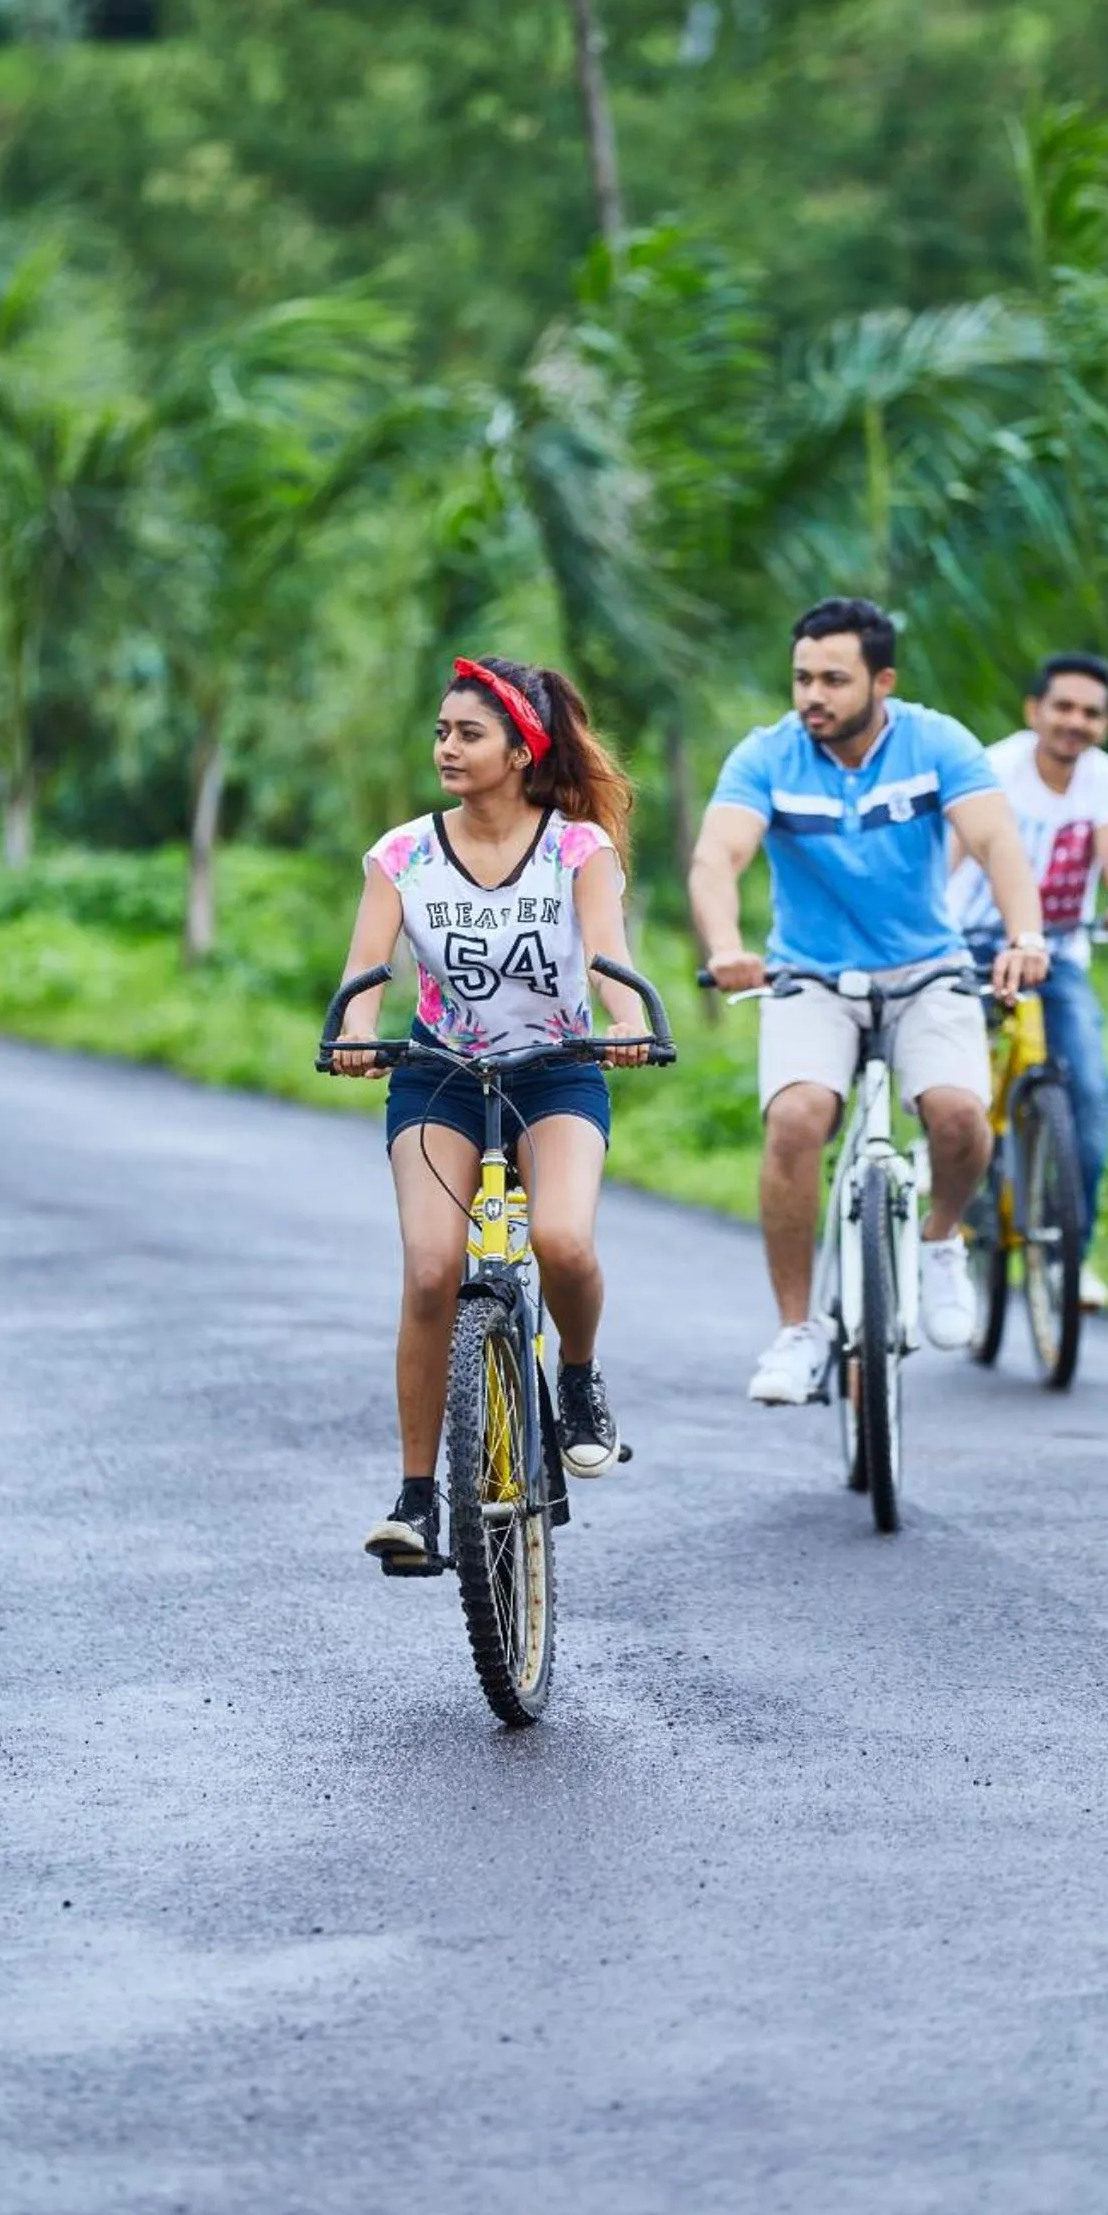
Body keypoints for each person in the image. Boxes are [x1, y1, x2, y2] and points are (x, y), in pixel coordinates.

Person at [330, 655, 651, 1571]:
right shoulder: (402, 853)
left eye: (468, 733)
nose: (447, 747)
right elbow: (366, 970)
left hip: (556, 1072)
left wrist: (625, 1020)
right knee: (432, 1270)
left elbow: (606, 956)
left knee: (562, 1243)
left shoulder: (577, 849)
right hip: (436, 1076)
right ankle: (416, 1500)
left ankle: (579, 1380)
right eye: (440, 731)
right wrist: (357, 1032)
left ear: (521, 750)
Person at [688, 597, 1051, 1404]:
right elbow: (718, 859)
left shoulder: (935, 742)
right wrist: (724, 948)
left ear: (882, 681)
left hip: (926, 971)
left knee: (957, 1114)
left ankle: (940, 1241)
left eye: (833, 680)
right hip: (807, 978)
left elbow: (995, 842)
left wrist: (1024, 937)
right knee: (796, 1118)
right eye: (801, 678)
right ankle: (795, 1333)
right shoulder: (766, 756)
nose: (811, 695)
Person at [946, 650, 1108, 1309]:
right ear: (1034, 710)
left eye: (1090, 713)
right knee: (946, 1077)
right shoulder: (993, 767)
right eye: (1062, 707)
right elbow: (949, 853)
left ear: (1103, 724)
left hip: (1059, 955)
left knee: (1088, 1091)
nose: (1075, 722)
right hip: (971, 943)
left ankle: (1069, 1257)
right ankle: (940, 1182)